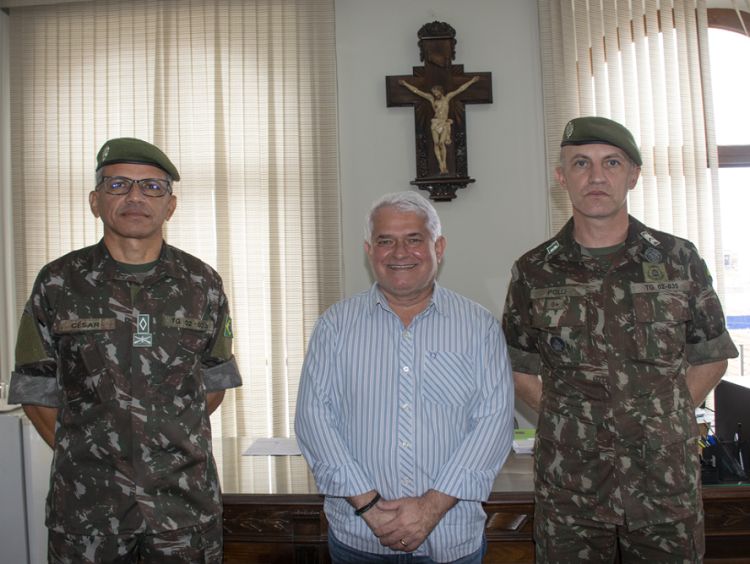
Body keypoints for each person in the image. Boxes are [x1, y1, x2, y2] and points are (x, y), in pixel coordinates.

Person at [502, 116, 739, 562]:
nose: (596, 176)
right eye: (580, 163)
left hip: (663, 487)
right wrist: (572, 420)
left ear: (633, 174)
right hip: (570, 488)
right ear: (561, 177)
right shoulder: (534, 271)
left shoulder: (677, 259)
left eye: (611, 162)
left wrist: (656, 420)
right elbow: (519, 365)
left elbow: (711, 355)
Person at [8, 137, 242, 563]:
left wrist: (158, 438)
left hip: (183, 508)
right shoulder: (58, 282)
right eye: (118, 185)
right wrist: (93, 446)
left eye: (152, 187)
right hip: (87, 511)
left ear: (170, 205)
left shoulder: (201, 283)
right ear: (95, 201)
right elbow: (34, 389)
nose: (136, 196)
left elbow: (213, 382)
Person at [295, 191, 514, 563]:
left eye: (414, 239)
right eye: (386, 241)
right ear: (369, 250)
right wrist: (370, 507)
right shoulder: (335, 325)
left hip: (452, 537)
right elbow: (314, 420)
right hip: (359, 538)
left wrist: (431, 508)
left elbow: (493, 425)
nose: (399, 253)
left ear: (438, 247)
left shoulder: (479, 327)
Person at [399, 76, 480, 174]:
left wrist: (472, 81)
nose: (435, 94)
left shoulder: (448, 98)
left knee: (442, 143)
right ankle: (440, 165)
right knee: (436, 143)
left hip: (444, 123)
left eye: (436, 92)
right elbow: (417, 91)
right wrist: (405, 84)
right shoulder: (432, 99)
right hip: (435, 123)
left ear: (441, 91)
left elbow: (460, 89)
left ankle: (444, 164)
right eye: (434, 93)